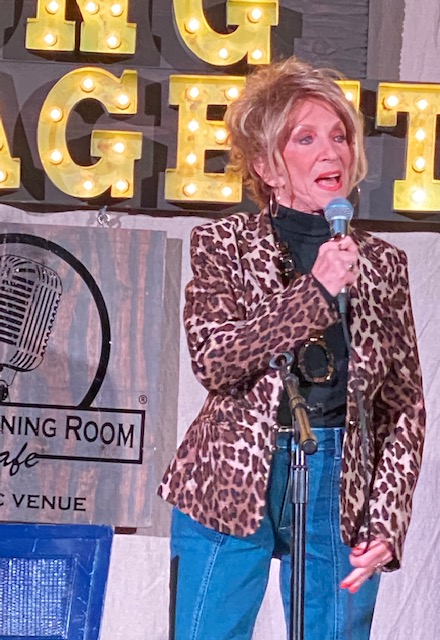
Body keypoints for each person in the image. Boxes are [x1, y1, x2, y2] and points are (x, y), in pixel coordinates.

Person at [159, 57, 426, 640]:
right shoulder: (223, 244)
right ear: (266, 165)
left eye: (339, 136)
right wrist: (316, 291)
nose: (331, 152)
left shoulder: (383, 264)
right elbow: (216, 360)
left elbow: (403, 404)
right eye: (306, 138)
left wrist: (387, 515)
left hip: (339, 474)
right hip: (231, 474)